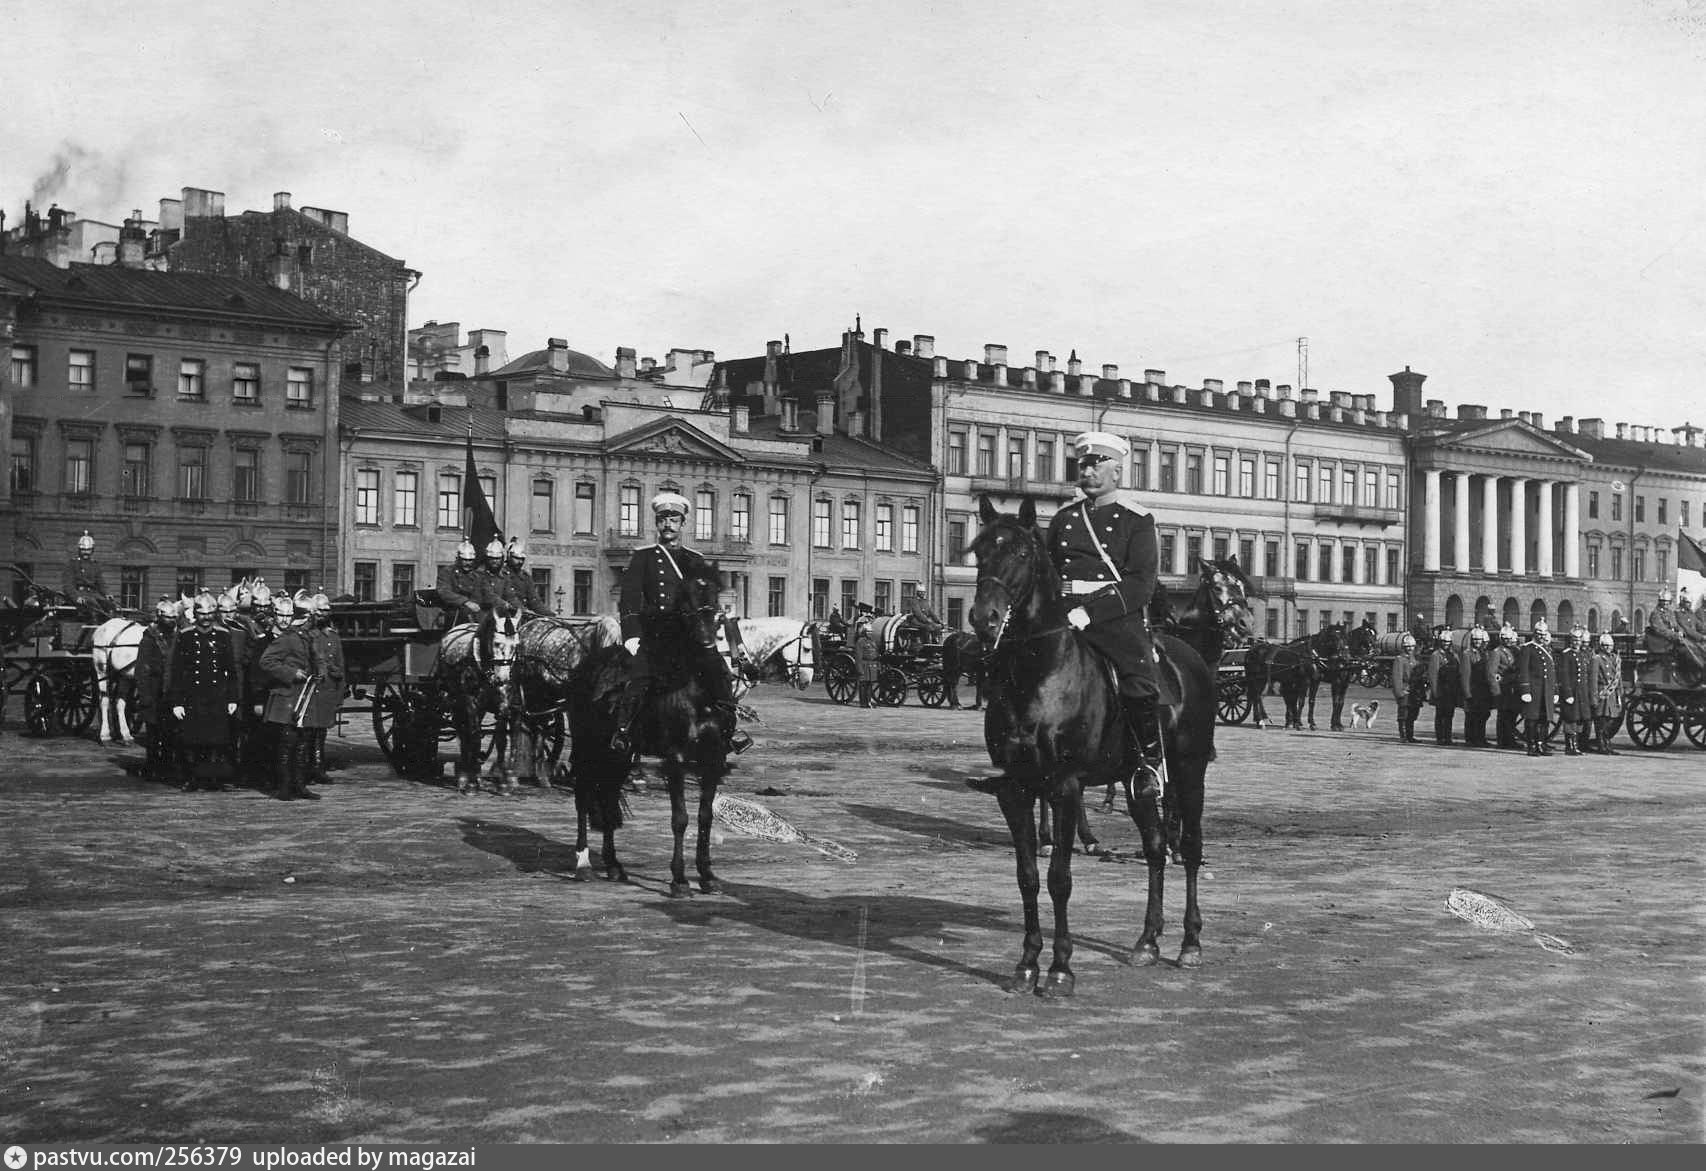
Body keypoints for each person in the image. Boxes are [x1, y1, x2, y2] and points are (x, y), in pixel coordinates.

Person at [1044, 430, 1165, 792]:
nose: (1089, 471)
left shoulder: (1136, 519)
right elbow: (1050, 571)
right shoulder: (1064, 518)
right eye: (1084, 464)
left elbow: (1141, 584)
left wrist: (1090, 614)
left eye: (1098, 464)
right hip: (1064, 611)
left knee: (1138, 678)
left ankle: (1148, 761)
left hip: (1112, 617)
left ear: (1117, 471)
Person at [610, 492, 751, 758]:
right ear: (657, 523)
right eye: (663, 519)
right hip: (654, 634)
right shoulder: (643, 557)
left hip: (687, 636)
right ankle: (624, 732)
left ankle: (727, 731)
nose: (668, 525)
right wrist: (631, 634)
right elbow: (629, 600)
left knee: (719, 672)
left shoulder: (694, 559)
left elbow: (705, 598)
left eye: (674, 519)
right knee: (639, 677)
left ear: (683, 523)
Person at [162, 591, 241, 792]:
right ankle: (192, 778)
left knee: (216, 741)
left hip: (217, 695)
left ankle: (212, 778)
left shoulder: (223, 635)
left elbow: (230, 668)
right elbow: (177, 670)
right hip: (192, 695)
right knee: (192, 741)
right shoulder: (186, 635)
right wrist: (177, 701)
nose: (206, 618)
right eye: (202, 614)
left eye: (210, 614)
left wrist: (233, 697)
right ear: (195, 614)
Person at [258, 590, 322, 801]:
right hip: (287, 697)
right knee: (287, 743)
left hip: (304, 698)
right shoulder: (287, 639)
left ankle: (299, 785)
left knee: (302, 743)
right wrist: (291, 673)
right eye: (309, 617)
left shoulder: (307, 638)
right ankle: (285, 787)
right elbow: (266, 662)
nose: (311, 621)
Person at [132, 597, 180, 783]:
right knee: (153, 734)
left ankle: (168, 766)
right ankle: (152, 766)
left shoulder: (178, 636)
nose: (171, 621)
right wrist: (144, 697)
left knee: (171, 733)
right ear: (159, 617)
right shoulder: (149, 638)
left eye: (174, 617)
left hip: (171, 693)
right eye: (168, 617)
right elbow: (141, 670)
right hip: (153, 692)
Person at [303, 591, 346, 785]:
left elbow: (340, 665)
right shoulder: (306, 635)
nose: (323, 615)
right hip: (311, 688)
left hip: (328, 688)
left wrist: (339, 695)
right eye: (319, 612)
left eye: (326, 611)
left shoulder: (333, 637)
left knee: (321, 731)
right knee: (307, 731)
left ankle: (318, 767)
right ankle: (305, 767)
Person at [1516, 619, 1558, 757]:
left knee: (1544, 719)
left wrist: (1555, 691)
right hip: (1534, 690)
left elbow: (1552, 673)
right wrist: (1525, 690)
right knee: (1532, 719)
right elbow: (1523, 671)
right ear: (1534, 633)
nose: (1541, 636)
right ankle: (1532, 745)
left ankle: (1541, 744)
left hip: (1546, 691)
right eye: (1539, 633)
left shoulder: (1547, 649)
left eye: (1543, 633)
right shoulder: (1527, 648)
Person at [1556, 624, 1596, 757]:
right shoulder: (1566, 655)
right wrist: (1567, 693)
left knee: (1580, 719)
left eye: (1578, 641)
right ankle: (1570, 746)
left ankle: (1576, 745)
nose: (1576, 643)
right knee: (1570, 719)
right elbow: (1564, 675)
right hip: (1571, 692)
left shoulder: (1582, 655)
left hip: (1582, 693)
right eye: (1574, 641)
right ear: (1570, 641)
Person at [62, 530, 117, 620]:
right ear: (79, 550)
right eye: (83, 550)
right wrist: (76, 597)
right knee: (94, 607)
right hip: (80, 594)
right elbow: (68, 585)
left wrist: (107, 594)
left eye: (88, 550)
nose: (86, 553)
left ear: (92, 550)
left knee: (111, 606)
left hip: (94, 594)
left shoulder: (95, 565)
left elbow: (101, 582)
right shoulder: (72, 564)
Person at [1459, 626, 1495, 747]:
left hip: (1482, 690)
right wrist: (1467, 693)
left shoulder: (1484, 653)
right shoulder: (1467, 654)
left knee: (1482, 715)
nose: (1477, 642)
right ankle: (1470, 739)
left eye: (1479, 640)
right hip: (1473, 689)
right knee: (1471, 716)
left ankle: (1480, 738)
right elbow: (1465, 675)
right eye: (1475, 640)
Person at [1488, 624, 1523, 750]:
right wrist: (1496, 692)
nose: (1508, 641)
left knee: (1512, 715)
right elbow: (1492, 674)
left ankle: (1510, 739)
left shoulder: (1514, 651)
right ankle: (1502, 740)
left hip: (1513, 689)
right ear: (1501, 639)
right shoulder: (1497, 652)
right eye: (1505, 639)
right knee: (1503, 716)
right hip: (1503, 689)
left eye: (1509, 639)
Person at [500, 538, 554, 619]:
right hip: (504, 616)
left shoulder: (525, 577)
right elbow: (510, 597)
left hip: (523, 617)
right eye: (516, 558)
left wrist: (550, 615)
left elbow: (534, 601)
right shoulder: (501, 574)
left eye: (522, 559)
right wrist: (524, 610)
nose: (520, 562)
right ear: (509, 557)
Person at [435, 540, 484, 625]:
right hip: (452, 611)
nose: (467, 563)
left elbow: (479, 594)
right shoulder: (447, 572)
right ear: (458, 559)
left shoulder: (477, 575)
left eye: (470, 560)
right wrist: (466, 602)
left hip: (474, 612)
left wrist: (474, 604)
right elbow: (444, 592)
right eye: (464, 560)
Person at [1426, 628, 1461, 746]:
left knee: (1450, 715)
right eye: (1444, 642)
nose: (1446, 644)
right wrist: (1435, 691)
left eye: (1448, 642)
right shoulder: (1436, 655)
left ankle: (1448, 737)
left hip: (1451, 689)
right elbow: (1433, 674)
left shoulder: (1453, 655)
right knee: (1440, 715)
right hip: (1441, 688)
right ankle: (1440, 737)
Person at [1591, 632, 1624, 755]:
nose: (1608, 648)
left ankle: (1607, 744)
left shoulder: (1615, 658)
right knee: (1601, 721)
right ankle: (1601, 745)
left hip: (1612, 695)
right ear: (1601, 646)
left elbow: (1618, 678)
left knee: (1610, 720)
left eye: (1609, 645)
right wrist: (1594, 698)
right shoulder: (1597, 659)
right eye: (1605, 645)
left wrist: (1620, 693)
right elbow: (1593, 680)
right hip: (1602, 694)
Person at [1391, 632, 1424, 743]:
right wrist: (1399, 692)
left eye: (1412, 647)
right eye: (1407, 647)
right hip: (1405, 689)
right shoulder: (1399, 659)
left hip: (1414, 692)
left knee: (1412, 714)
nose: (1410, 649)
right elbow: (1397, 677)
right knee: (1403, 715)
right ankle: (1403, 736)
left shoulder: (1415, 659)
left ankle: (1410, 735)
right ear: (1404, 647)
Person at [854, 615, 879, 707]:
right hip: (864, 665)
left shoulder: (873, 641)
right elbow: (858, 656)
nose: (870, 633)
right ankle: (863, 702)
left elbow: (875, 653)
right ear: (864, 632)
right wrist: (859, 669)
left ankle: (869, 701)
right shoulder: (860, 642)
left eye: (871, 631)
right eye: (868, 631)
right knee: (863, 685)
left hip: (871, 666)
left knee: (869, 685)